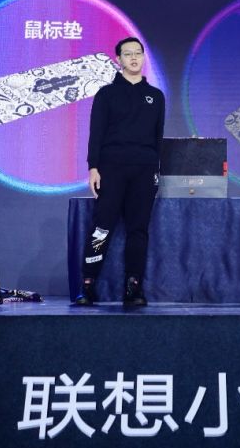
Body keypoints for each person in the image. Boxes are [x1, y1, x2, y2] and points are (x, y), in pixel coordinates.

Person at [73, 37, 164, 307]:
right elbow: (96, 133)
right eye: (127, 54)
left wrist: (155, 169)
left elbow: (157, 138)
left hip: (144, 170)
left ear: (143, 57)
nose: (134, 58)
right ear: (118, 60)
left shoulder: (156, 96)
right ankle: (87, 285)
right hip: (111, 168)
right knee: (102, 227)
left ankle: (133, 287)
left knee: (138, 230)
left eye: (138, 53)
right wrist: (93, 167)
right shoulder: (106, 94)